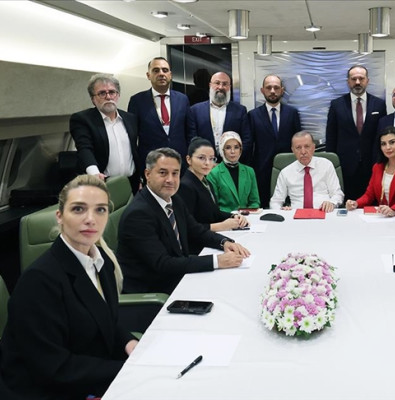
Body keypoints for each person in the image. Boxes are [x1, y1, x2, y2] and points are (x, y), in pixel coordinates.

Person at [0, 175, 138, 399]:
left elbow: (105, 320)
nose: (91, 219)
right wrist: (128, 370)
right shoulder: (39, 281)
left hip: (84, 377)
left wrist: (128, 342)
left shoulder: (100, 261)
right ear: (60, 217)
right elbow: (54, 368)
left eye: (100, 210)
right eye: (78, 209)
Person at [116, 147, 250, 294]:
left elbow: (196, 231)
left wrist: (224, 242)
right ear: (148, 174)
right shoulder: (138, 214)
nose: (170, 180)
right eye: (163, 173)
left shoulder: (174, 199)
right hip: (154, 290)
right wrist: (217, 261)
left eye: (175, 173)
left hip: (177, 276)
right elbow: (163, 264)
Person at [69, 73, 142, 191]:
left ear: (118, 95)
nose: (108, 97)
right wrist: (94, 174)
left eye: (112, 92)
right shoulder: (82, 119)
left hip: (131, 183)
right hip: (101, 183)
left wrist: (140, 178)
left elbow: (135, 150)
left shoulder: (130, 118)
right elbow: (84, 148)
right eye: (102, 93)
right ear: (93, 99)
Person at [176, 137, 249, 252]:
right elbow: (189, 227)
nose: (207, 163)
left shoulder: (205, 181)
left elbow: (214, 212)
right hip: (197, 247)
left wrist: (233, 216)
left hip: (209, 238)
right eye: (201, 158)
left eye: (211, 159)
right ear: (189, 159)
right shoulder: (185, 186)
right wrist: (222, 226)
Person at [326, 65, 387, 199]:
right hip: (345, 166)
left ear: (367, 81)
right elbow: (331, 136)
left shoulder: (379, 104)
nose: (357, 82)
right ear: (348, 82)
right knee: (347, 203)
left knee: (371, 203)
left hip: (372, 165)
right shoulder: (337, 105)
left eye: (361, 78)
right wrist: (332, 164)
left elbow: (382, 136)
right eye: (354, 79)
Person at [248, 74, 302, 207]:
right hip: (262, 171)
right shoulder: (253, 115)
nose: (272, 91)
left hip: (289, 170)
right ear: (262, 90)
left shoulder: (292, 113)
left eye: (276, 88)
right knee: (265, 207)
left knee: (289, 207)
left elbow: (299, 143)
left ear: (282, 90)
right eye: (269, 88)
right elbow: (249, 145)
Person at [128, 57, 192, 165]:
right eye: (156, 70)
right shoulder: (137, 101)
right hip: (150, 162)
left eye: (165, 70)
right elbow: (132, 136)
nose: (161, 74)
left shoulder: (182, 99)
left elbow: (189, 131)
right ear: (148, 75)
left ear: (170, 75)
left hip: (179, 161)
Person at [345, 127, 395, 217]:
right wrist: (356, 203)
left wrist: (393, 210)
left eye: (392, 142)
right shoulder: (377, 167)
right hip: (382, 215)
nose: (388, 147)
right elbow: (369, 195)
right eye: (383, 144)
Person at [270, 131, 344, 212]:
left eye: (307, 146)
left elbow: (337, 194)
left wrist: (331, 203)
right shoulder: (285, 172)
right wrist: (282, 211)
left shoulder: (326, 165)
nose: (303, 152)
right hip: (296, 215)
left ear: (313, 147)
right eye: (298, 148)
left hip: (325, 212)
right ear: (293, 150)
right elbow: (275, 201)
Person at [189, 71, 252, 164]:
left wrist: (233, 159)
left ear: (230, 87)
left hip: (232, 165)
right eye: (217, 83)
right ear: (210, 85)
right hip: (204, 165)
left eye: (225, 84)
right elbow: (192, 139)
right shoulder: (195, 110)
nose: (221, 87)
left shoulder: (240, 110)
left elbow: (246, 140)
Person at [207, 132, 260, 213]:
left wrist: (246, 214)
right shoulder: (213, 174)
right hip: (225, 218)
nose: (232, 151)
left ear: (240, 150)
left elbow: (255, 202)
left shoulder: (249, 171)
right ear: (222, 150)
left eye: (236, 147)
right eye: (228, 148)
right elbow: (214, 206)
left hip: (247, 217)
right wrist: (232, 216)